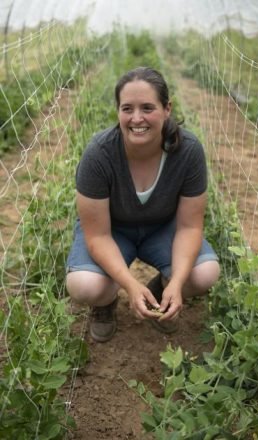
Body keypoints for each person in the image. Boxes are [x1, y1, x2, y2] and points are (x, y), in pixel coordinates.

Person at [66, 66, 220, 342]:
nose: (137, 118)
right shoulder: (99, 154)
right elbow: (98, 235)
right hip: (113, 231)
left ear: (167, 108)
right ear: (118, 111)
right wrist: (129, 285)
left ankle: (162, 292)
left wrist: (176, 282)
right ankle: (104, 303)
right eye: (127, 108)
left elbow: (189, 227)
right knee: (85, 286)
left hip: (163, 229)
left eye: (148, 107)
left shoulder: (188, 151)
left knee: (204, 274)